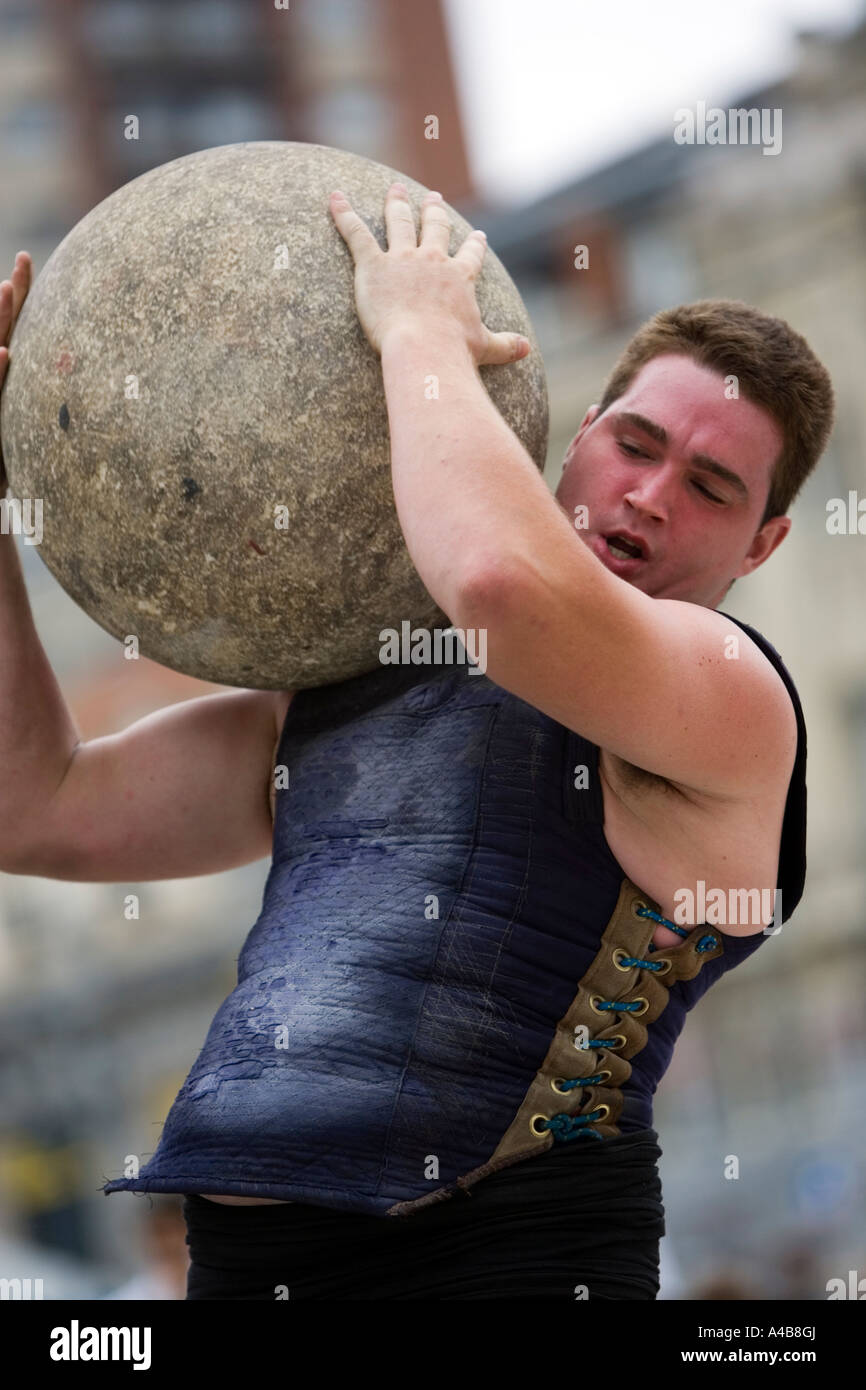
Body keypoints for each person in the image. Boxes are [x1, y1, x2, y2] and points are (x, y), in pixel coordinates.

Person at [0, 180, 833, 1299]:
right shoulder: (364, 663)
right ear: (579, 430)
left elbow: (495, 579)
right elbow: (35, 804)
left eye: (708, 486)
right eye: (632, 443)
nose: (645, 496)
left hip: (504, 1256)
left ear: (763, 541)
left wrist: (417, 330)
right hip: (249, 1264)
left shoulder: (731, 699)